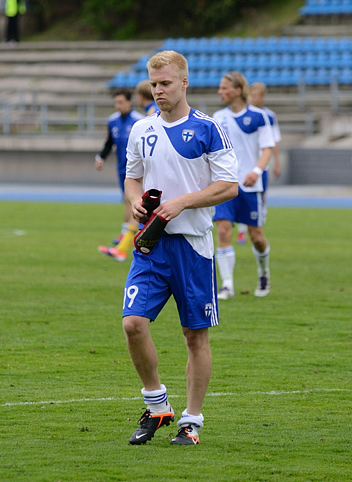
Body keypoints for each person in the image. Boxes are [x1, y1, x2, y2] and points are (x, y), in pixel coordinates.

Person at [122, 51, 238, 446]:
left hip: (193, 248)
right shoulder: (141, 129)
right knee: (133, 324)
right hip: (151, 247)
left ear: (184, 83)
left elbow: (228, 186)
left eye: (166, 83)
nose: (158, 91)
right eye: (154, 84)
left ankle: (191, 421)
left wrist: (182, 202)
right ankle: (157, 405)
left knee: (194, 336)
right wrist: (136, 201)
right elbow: (132, 178)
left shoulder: (209, 129)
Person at [212, 72, 275, 299]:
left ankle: (263, 271)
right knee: (223, 230)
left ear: (238, 90)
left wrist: (256, 171)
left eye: (224, 88)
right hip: (225, 186)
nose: (220, 92)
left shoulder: (260, 117)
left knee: (256, 237)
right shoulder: (217, 118)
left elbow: (267, 148)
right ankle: (227, 284)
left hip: (250, 187)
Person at [96, 89, 143, 261]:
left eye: (121, 102)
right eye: (116, 102)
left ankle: (127, 239)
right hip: (122, 168)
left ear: (129, 102)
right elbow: (109, 142)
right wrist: (101, 157)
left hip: (137, 170)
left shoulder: (139, 121)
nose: (118, 106)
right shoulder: (112, 120)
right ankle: (125, 236)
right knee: (126, 201)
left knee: (133, 202)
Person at [236, 82, 282, 244]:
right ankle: (242, 232)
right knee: (240, 197)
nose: (252, 98)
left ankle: (257, 225)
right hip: (243, 167)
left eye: (255, 95)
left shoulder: (269, 116)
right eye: (251, 95)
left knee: (260, 198)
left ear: (262, 96)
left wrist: (277, 162)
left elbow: (273, 142)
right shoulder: (241, 114)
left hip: (261, 167)